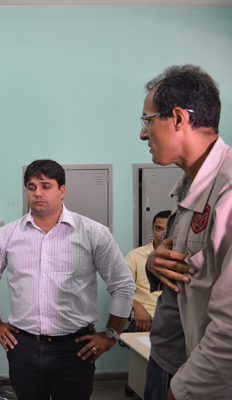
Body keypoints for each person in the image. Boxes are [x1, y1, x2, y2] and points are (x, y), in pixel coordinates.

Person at [0, 159, 135, 400]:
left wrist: (111, 335)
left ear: (62, 190)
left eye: (45, 186)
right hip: (23, 348)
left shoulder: (93, 232)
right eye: (31, 187)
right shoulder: (7, 235)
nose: (38, 193)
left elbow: (123, 286)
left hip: (75, 348)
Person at [139, 65, 232, 400]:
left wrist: (182, 390)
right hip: (167, 357)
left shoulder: (227, 193)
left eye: (147, 120)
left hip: (197, 381)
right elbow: (187, 271)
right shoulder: (191, 186)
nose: (143, 133)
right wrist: (153, 264)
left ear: (177, 118)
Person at [124, 210, 170, 332]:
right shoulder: (135, 256)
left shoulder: (185, 257)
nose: (162, 234)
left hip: (175, 317)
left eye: (168, 230)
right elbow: (120, 289)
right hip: (147, 316)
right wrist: (137, 306)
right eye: (158, 229)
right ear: (152, 229)